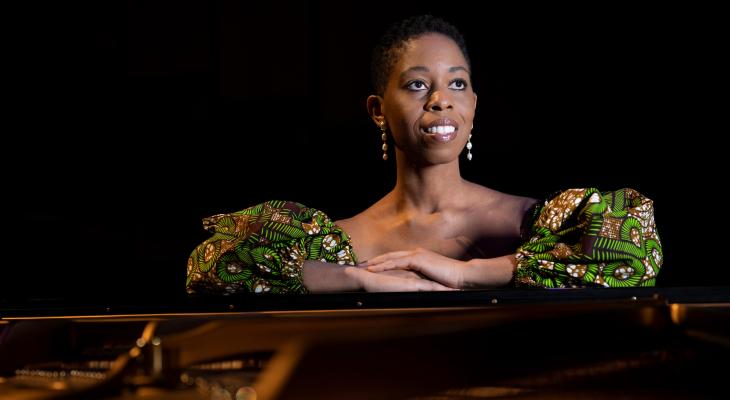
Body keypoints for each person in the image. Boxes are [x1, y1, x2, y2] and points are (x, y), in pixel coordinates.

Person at [186, 15, 662, 295]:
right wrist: (360, 280)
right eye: (417, 85)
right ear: (377, 110)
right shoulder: (338, 240)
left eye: (458, 83)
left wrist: (468, 272)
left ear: (474, 103)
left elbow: (636, 251)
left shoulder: (532, 223)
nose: (441, 99)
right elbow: (209, 264)